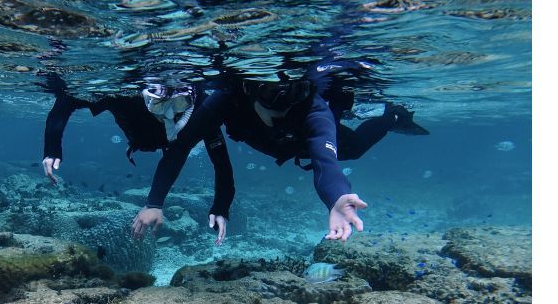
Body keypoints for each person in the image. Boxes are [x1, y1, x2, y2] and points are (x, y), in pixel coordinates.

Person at [131, 63, 367, 243]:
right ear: (250, 89)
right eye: (274, 100)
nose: (283, 111)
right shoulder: (226, 99)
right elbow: (181, 146)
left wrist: (336, 198)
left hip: (302, 145)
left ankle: (392, 117)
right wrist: (154, 202)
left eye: (292, 98)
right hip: (276, 145)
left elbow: (325, 162)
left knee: (355, 147)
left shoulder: (314, 110)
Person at [41, 73, 235, 245]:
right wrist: (52, 149)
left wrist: (221, 207)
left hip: (173, 144)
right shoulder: (123, 93)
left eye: (179, 101)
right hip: (140, 138)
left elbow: (220, 161)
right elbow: (67, 100)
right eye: (159, 101)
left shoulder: (202, 106)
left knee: (184, 141)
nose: (168, 110)